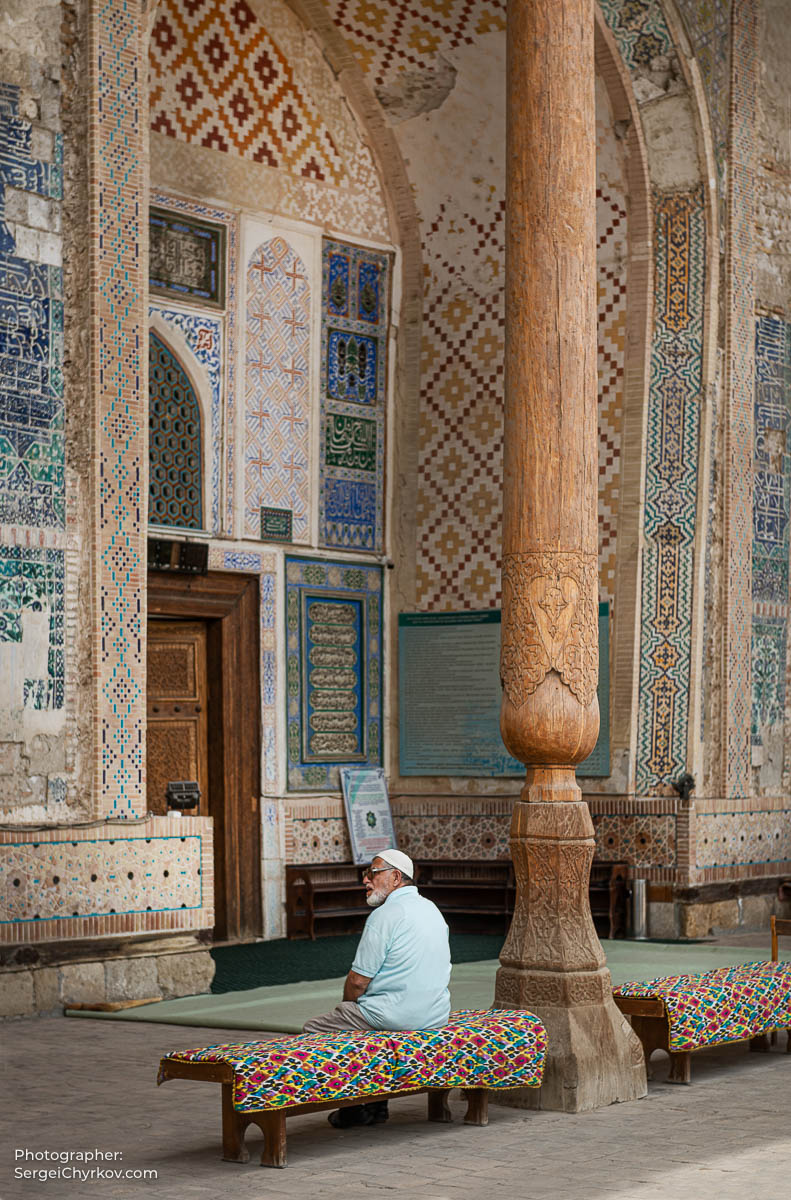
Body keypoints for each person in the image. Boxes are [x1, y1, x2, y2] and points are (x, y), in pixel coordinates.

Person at [302, 847, 451, 1128]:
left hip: (395, 1016)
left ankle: (352, 1108)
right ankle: (376, 1105)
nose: (366, 880)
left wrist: (348, 1007)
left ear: (396, 877)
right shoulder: (431, 909)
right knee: (368, 1031)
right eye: (366, 874)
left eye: (373, 873)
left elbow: (358, 981)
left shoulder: (385, 915)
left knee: (315, 1030)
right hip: (434, 1016)